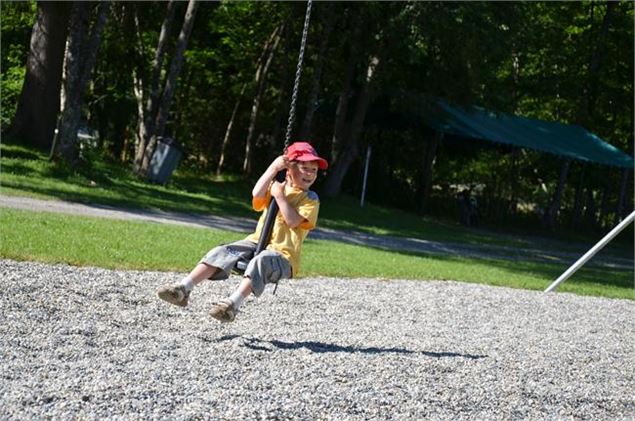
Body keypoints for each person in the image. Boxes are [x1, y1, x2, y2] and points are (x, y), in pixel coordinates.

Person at [156, 141, 328, 323]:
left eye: (314, 170)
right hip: (256, 242)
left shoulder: (310, 198)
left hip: (284, 255)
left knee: (261, 261)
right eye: (304, 168)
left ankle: (231, 305)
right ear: (288, 169)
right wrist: (273, 168)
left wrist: (279, 196)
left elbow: (293, 221)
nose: (310, 173)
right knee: (221, 251)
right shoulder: (277, 186)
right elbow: (256, 193)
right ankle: (183, 289)